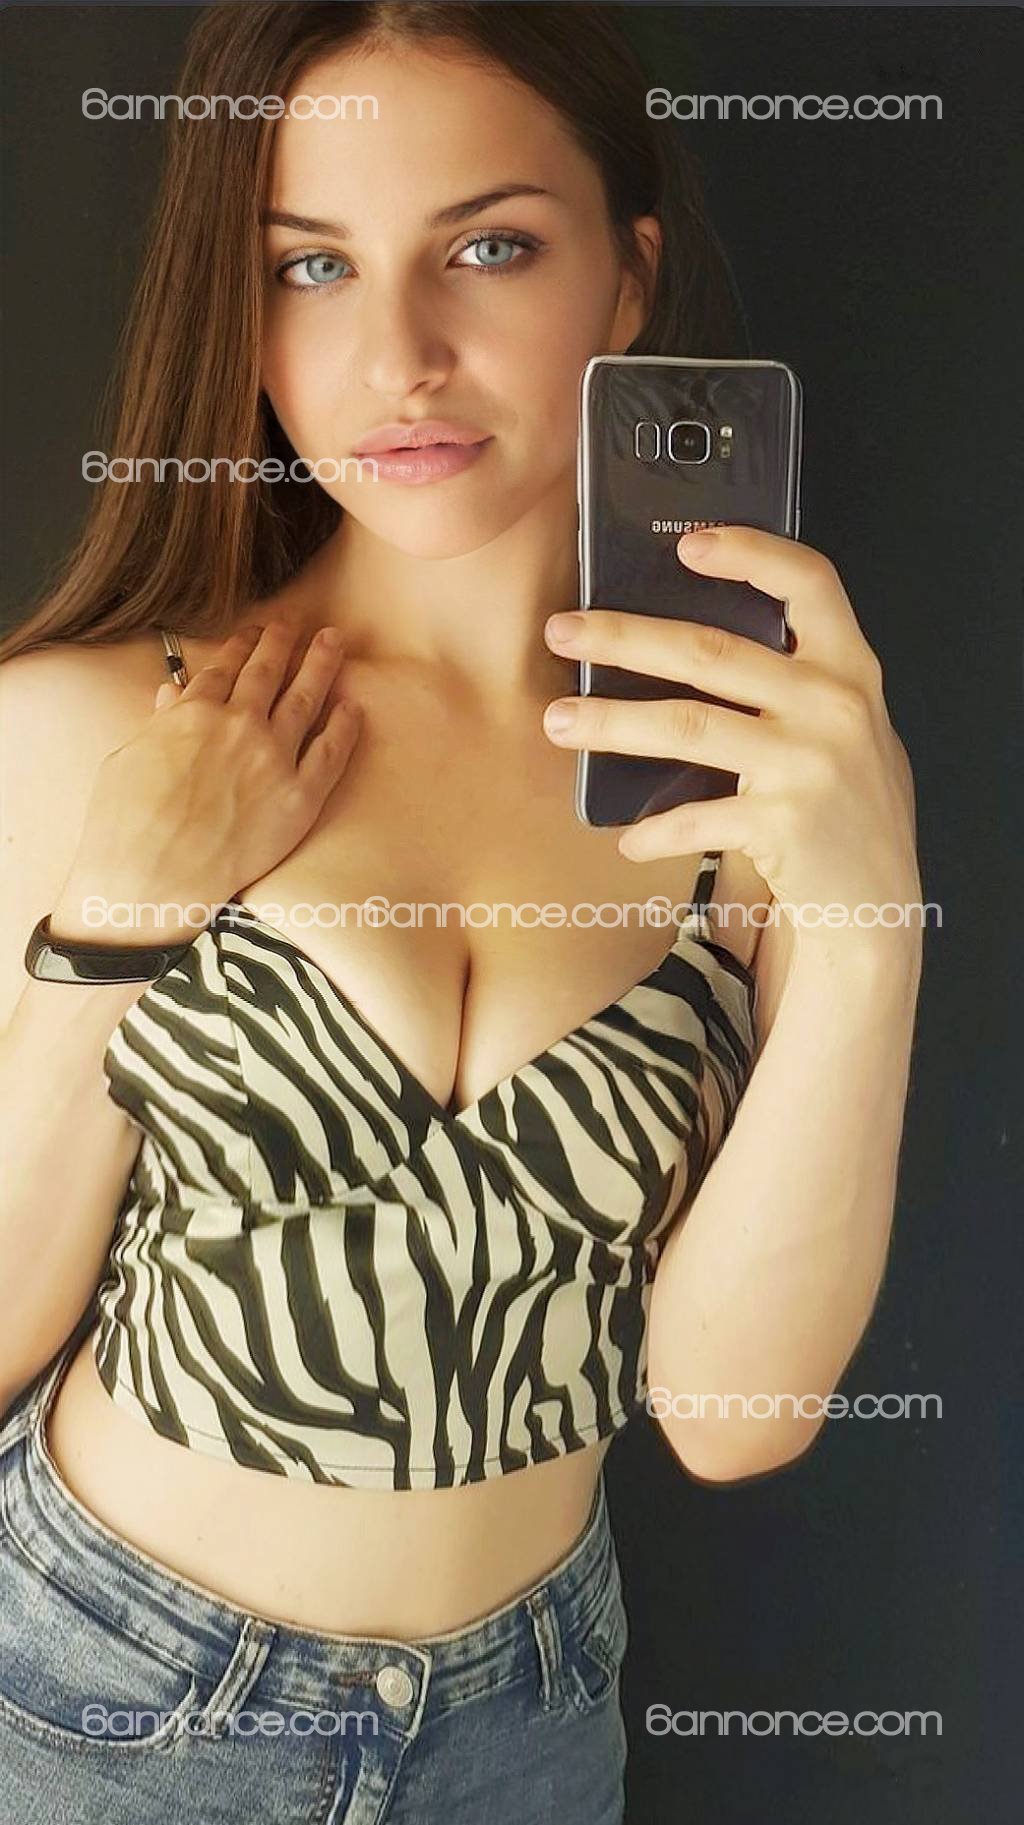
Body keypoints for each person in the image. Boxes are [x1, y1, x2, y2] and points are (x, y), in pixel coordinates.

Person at [0, 5, 923, 1820]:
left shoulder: (751, 786)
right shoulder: (94, 727)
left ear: (627, 279)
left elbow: (735, 1418)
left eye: (488, 249)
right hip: (99, 1694)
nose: (399, 356)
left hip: (528, 1725)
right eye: (312, 266)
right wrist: (122, 912)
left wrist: (871, 909)